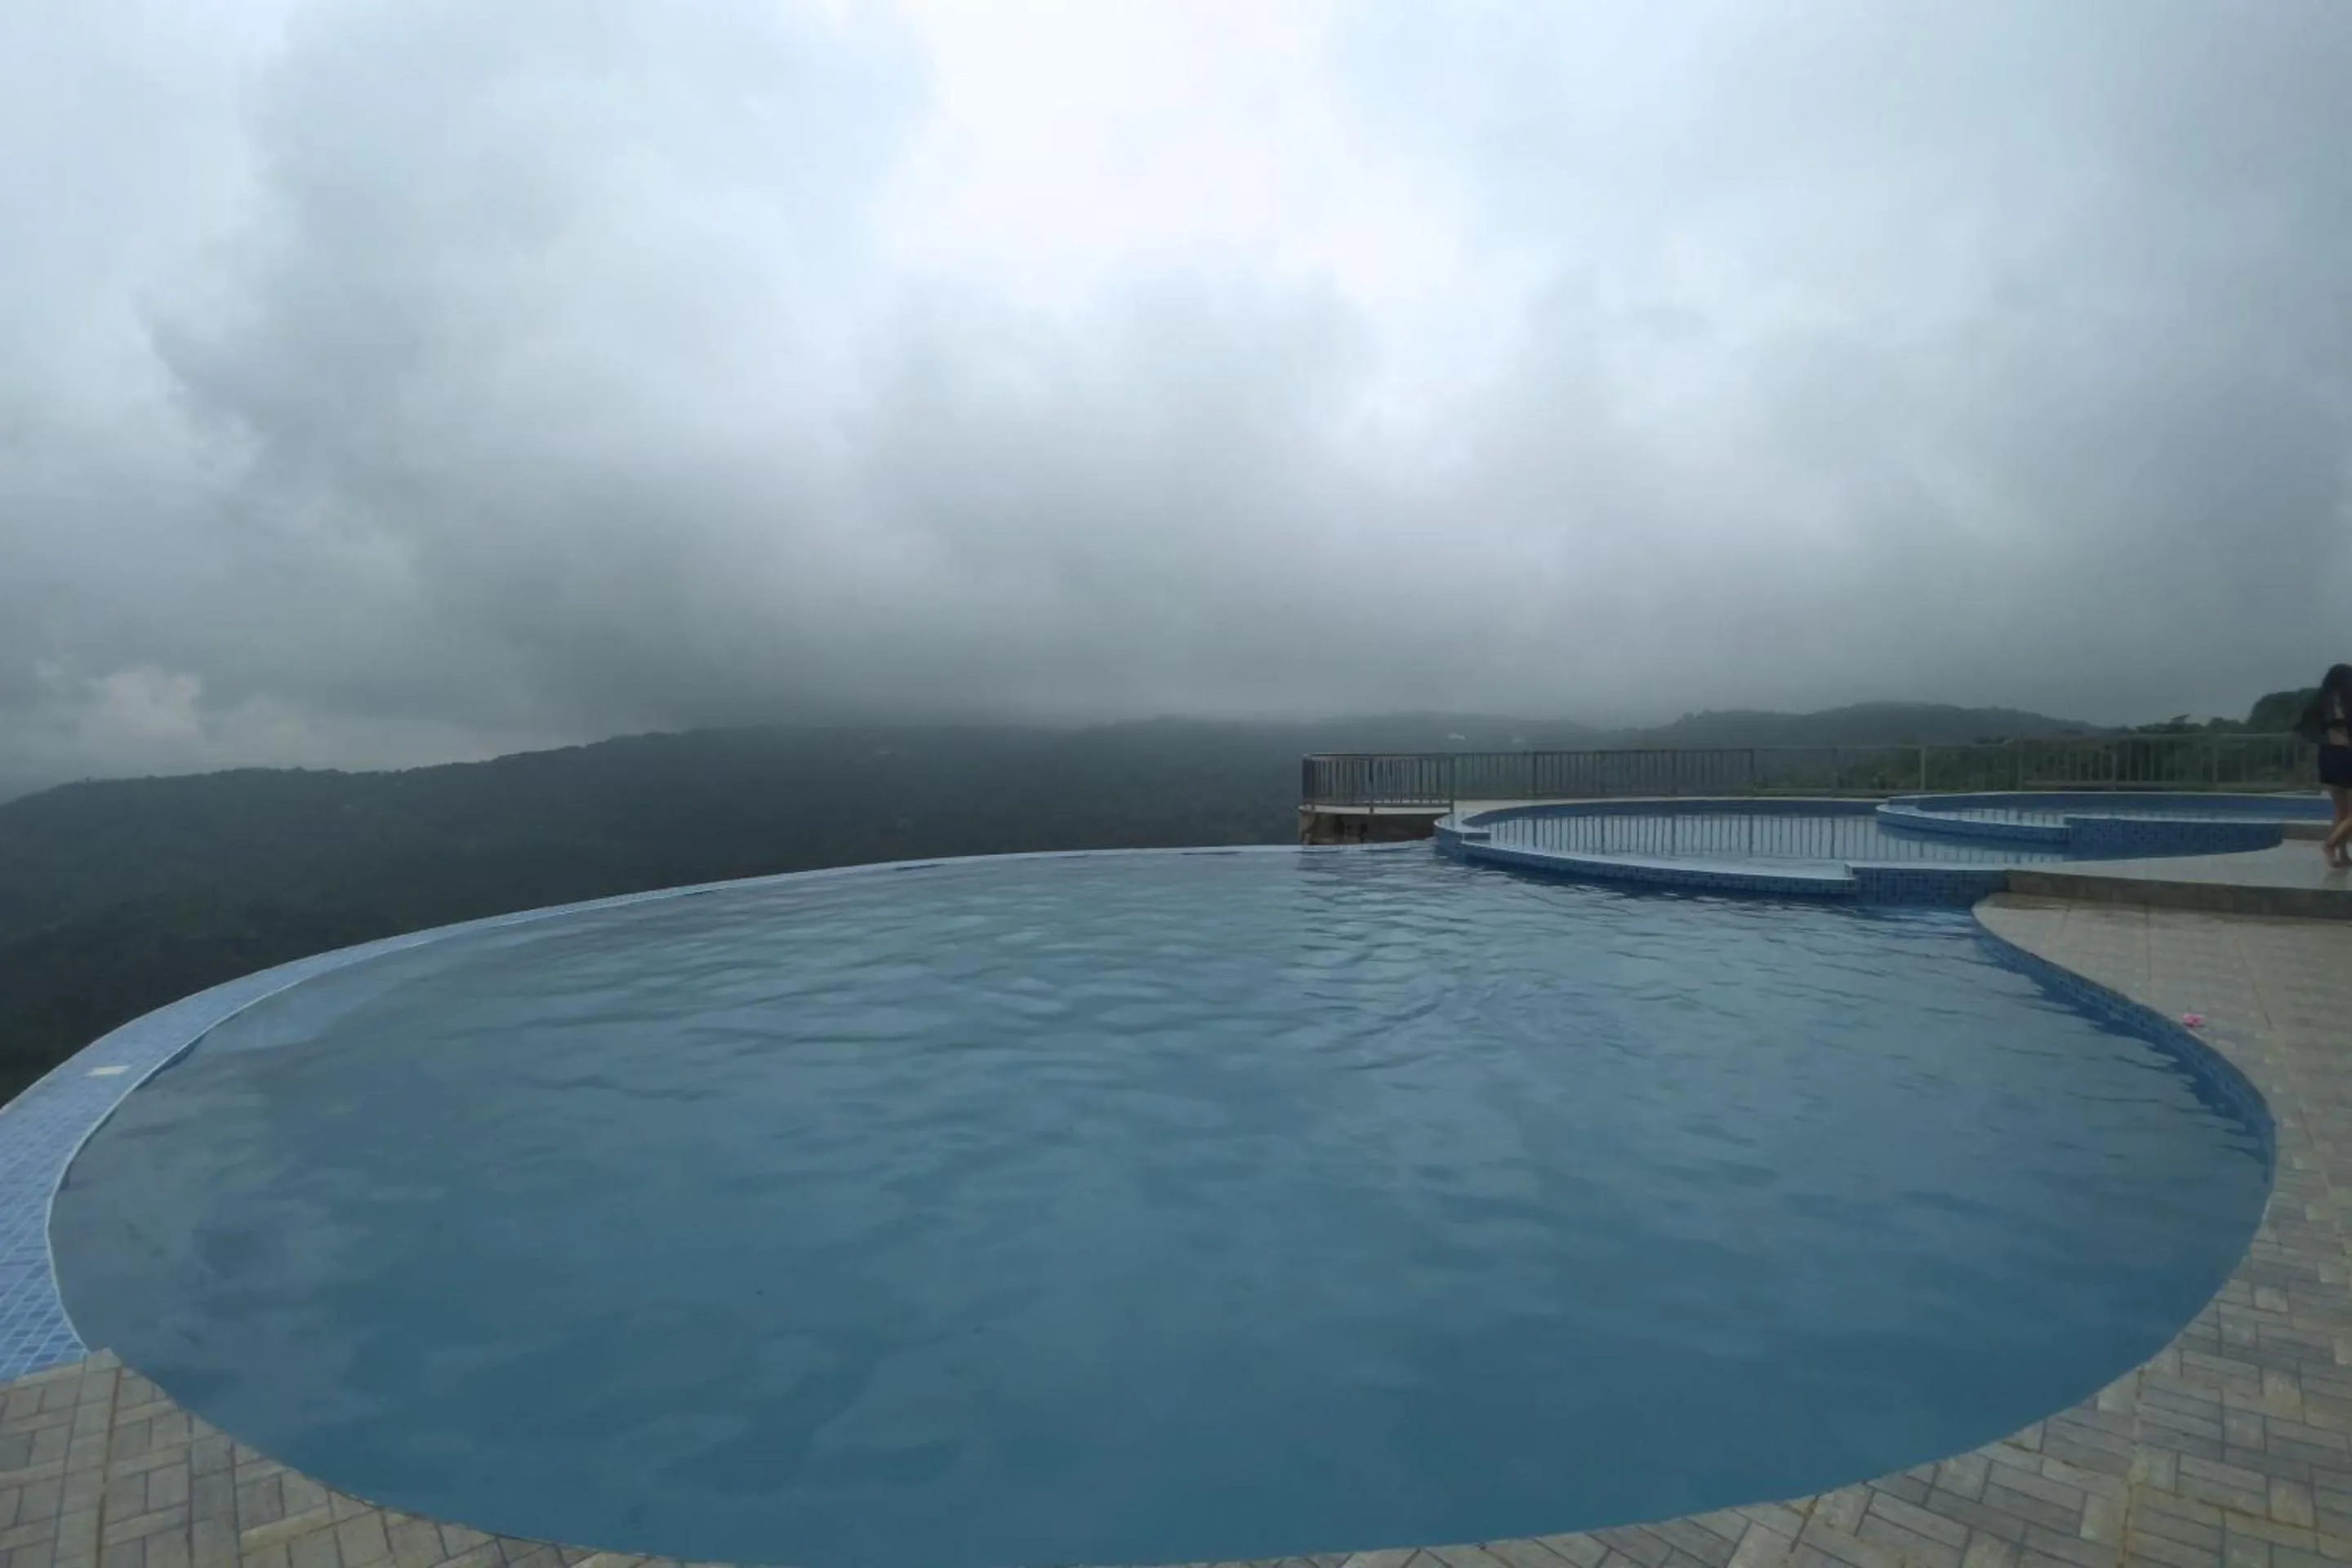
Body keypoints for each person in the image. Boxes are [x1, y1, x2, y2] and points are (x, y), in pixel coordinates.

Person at [2305, 665, 2352, 867]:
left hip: (2328, 755)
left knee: (2341, 812)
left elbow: (2307, 729)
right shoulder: (2347, 701)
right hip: (2346, 755)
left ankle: (2341, 855)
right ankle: (2331, 845)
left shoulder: (2321, 703)